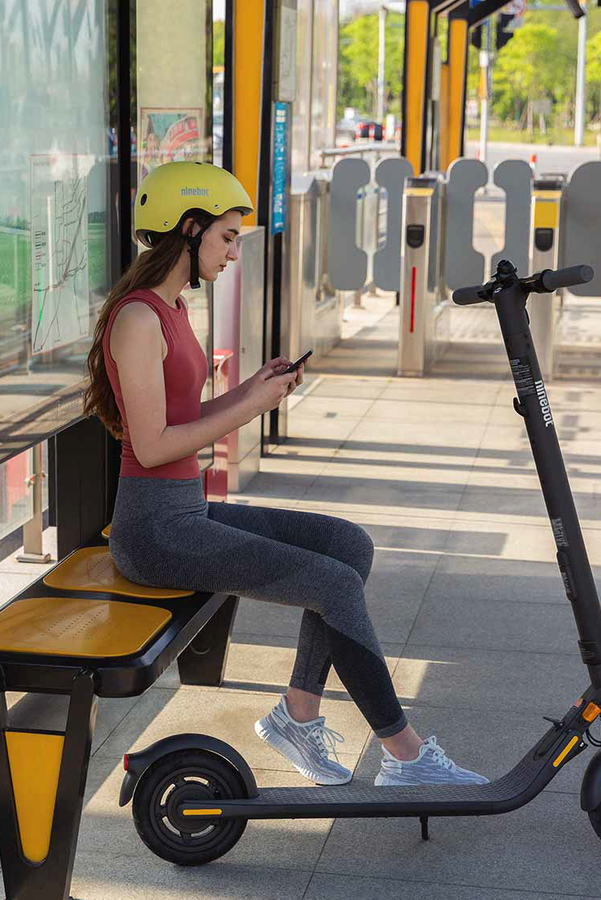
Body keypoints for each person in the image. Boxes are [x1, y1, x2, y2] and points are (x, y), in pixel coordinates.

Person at [83, 161, 486, 788]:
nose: (232, 251)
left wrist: (251, 389)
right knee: (330, 584)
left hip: (185, 511)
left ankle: (297, 718)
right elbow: (154, 445)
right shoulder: (138, 319)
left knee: (346, 546)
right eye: (225, 237)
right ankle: (405, 755)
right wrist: (250, 408)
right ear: (187, 229)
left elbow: (183, 418)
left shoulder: (171, 308)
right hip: (155, 531)